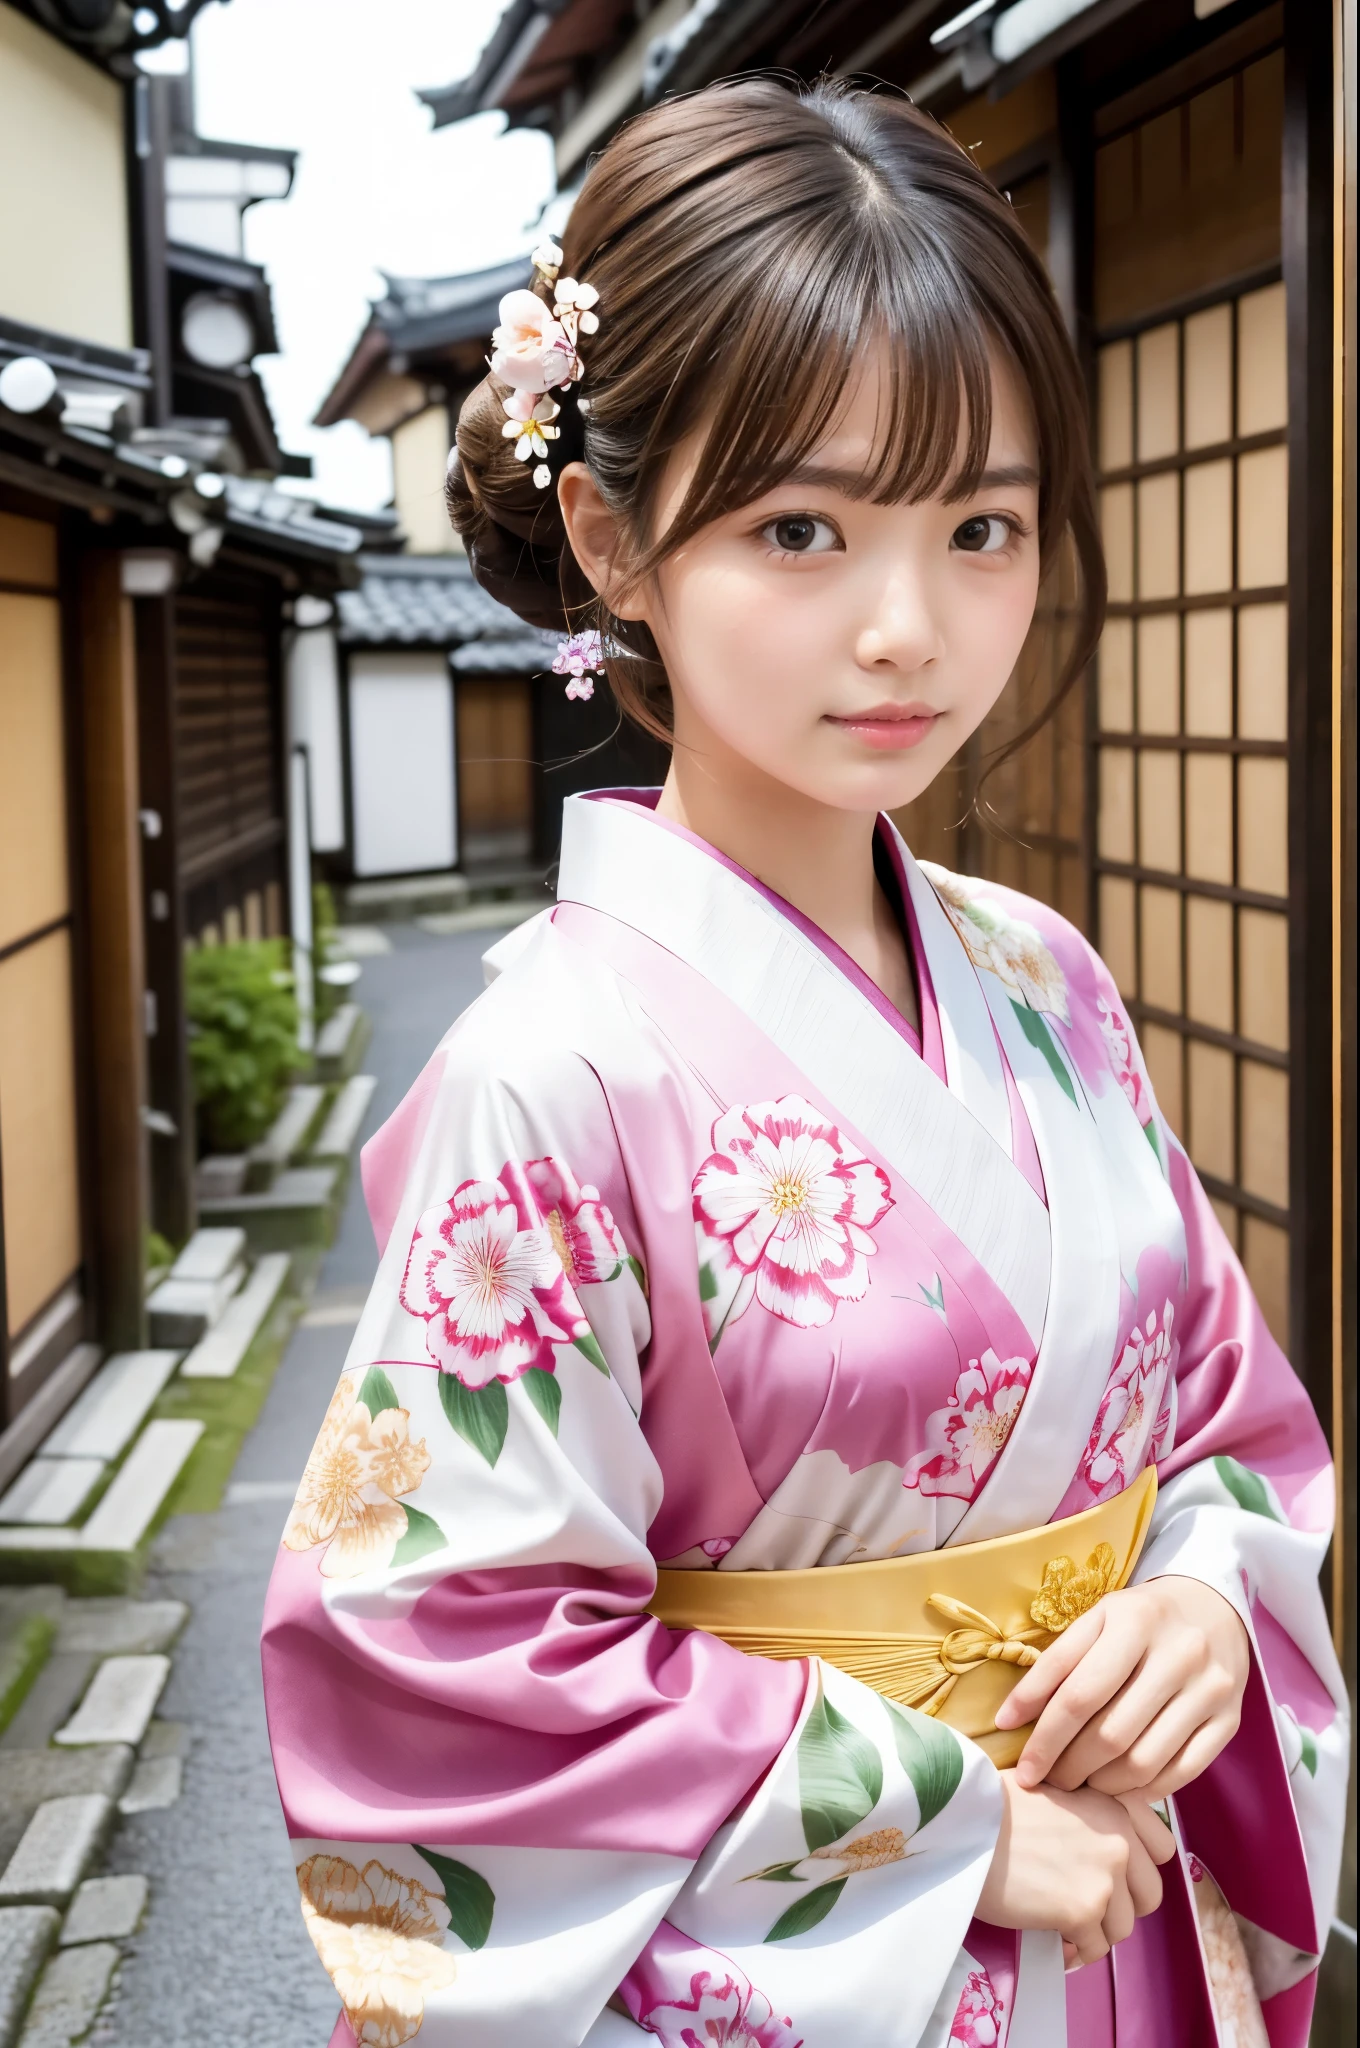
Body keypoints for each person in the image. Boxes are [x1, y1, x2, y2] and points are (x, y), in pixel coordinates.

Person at [261, 80, 1346, 2048]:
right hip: (835, 1949)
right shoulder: (549, 1069)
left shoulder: (1044, 976)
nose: (906, 627)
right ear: (608, 533)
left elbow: (1217, 1417)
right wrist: (934, 1818)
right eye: (799, 527)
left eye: (980, 525)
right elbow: (437, 1647)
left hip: (1116, 1897)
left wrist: (1200, 1603)